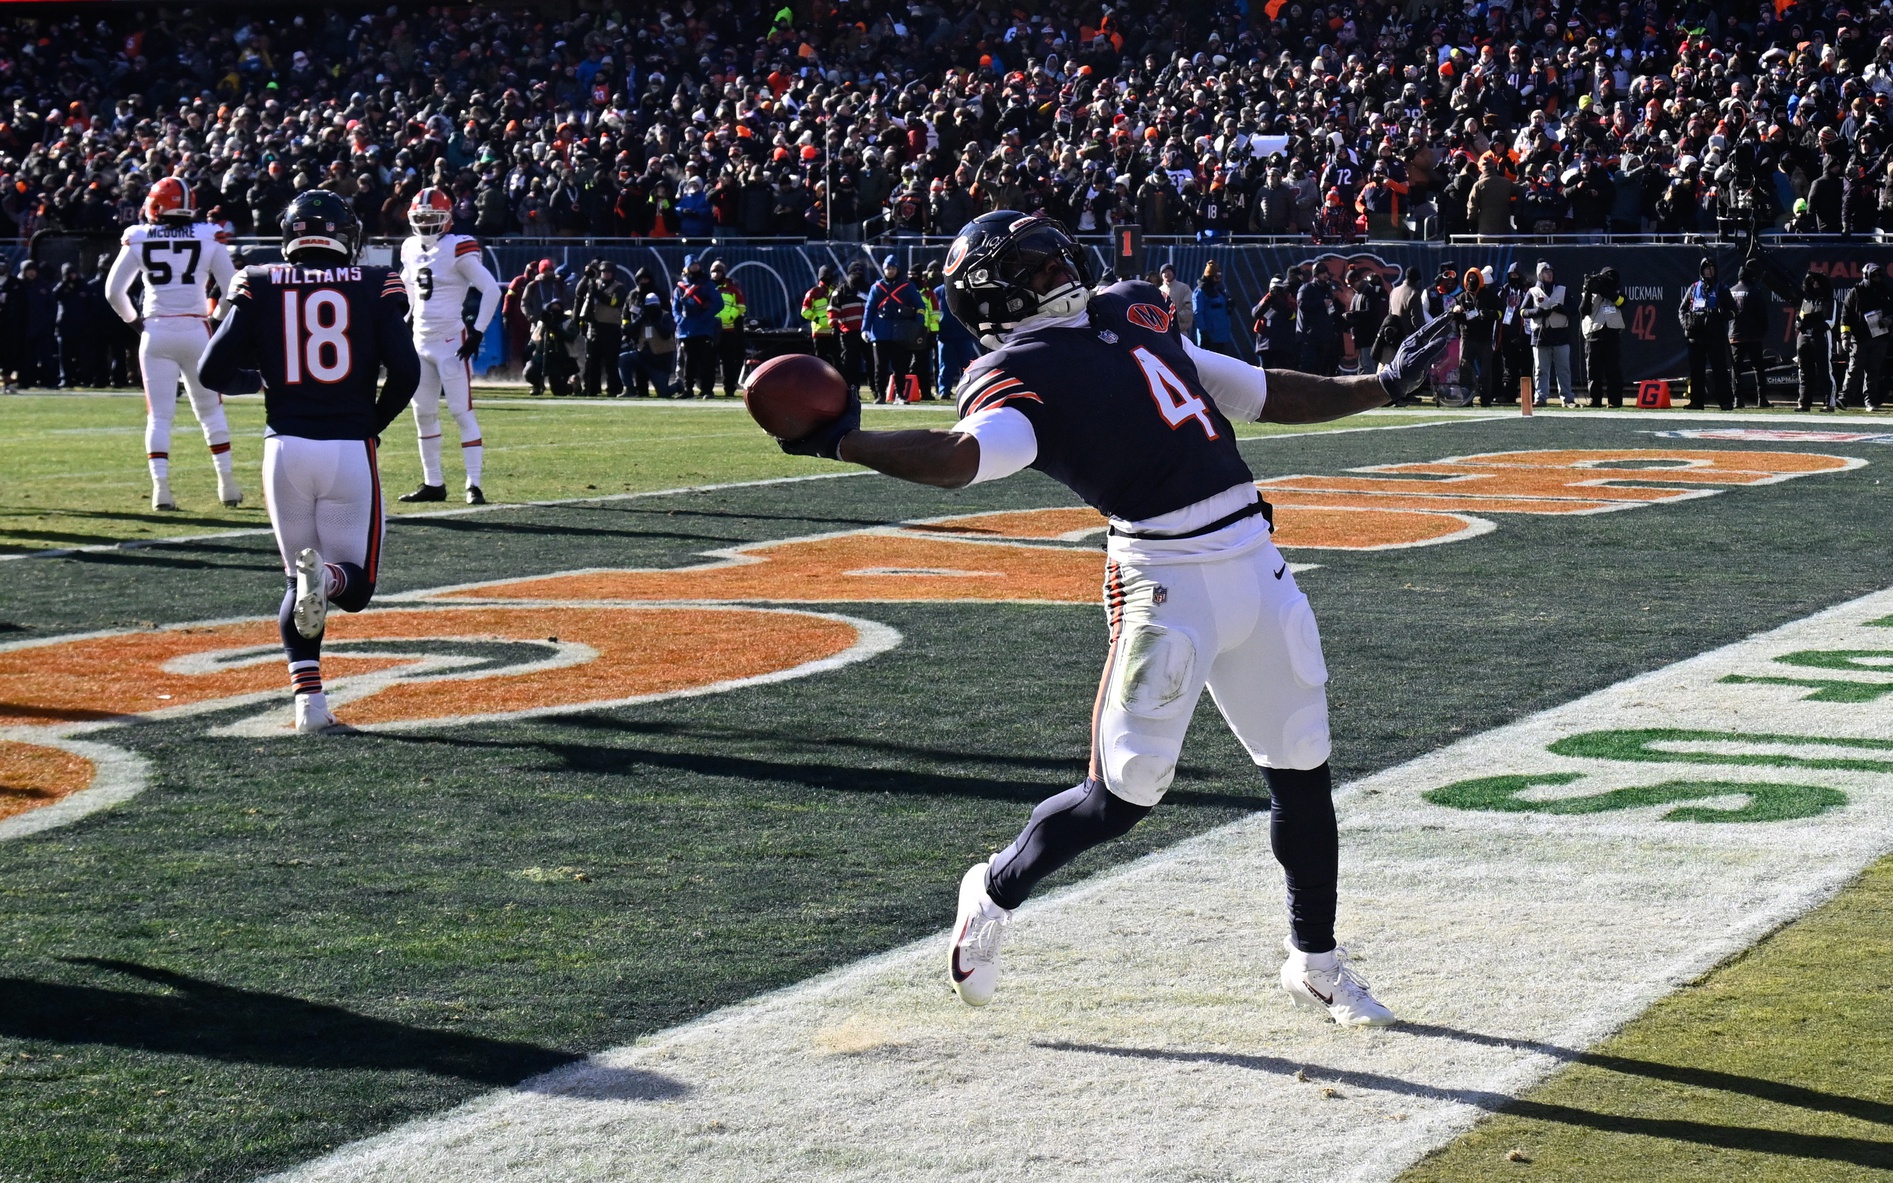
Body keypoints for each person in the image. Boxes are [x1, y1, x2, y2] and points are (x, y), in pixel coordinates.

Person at [769, 211, 1453, 1025]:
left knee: (1303, 767)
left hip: (1254, 560)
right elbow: (963, 460)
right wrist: (848, 443)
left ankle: (1316, 961)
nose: (1055, 269)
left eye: (1050, 255)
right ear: (990, 298)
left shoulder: (1129, 310)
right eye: (1030, 268)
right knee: (1125, 792)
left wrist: (1381, 386)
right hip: (1164, 581)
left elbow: (1256, 390)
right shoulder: (1014, 370)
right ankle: (992, 888)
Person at [197, 189, 420, 735]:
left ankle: (309, 708)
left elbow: (210, 370)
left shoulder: (259, 279)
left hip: (283, 449)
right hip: (347, 447)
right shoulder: (374, 282)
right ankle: (331, 582)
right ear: (345, 237)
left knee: (300, 585)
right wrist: (373, 421)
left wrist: (258, 379)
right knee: (355, 587)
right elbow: (407, 373)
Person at [104, 176, 242, 510]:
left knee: (160, 416)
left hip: (156, 331)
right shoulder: (208, 234)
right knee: (210, 410)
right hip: (196, 329)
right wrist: (216, 319)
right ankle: (227, 486)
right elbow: (231, 287)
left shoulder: (139, 236)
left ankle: (161, 490)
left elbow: (113, 292)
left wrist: (134, 322)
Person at [395, 187, 501, 505]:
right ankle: (433, 483)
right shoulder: (410, 247)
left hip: (451, 342)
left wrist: (478, 333)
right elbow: (407, 289)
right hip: (419, 341)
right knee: (423, 414)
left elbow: (491, 289)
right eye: (421, 217)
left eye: (432, 217)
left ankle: (474, 484)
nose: (425, 223)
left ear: (446, 219)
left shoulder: (457, 246)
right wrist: (399, 323)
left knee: (460, 411)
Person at [864, 254, 925, 403]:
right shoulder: (876, 287)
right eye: (887, 268)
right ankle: (880, 395)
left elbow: (920, 306)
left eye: (892, 268)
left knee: (900, 366)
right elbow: (869, 309)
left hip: (901, 331)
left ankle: (900, 395)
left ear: (897, 269)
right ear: (883, 269)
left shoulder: (907, 286)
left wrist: (918, 324)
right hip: (879, 332)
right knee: (880, 366)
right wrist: (865, 328)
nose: (890, 271)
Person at [1679, 257, 1735, 410]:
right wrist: (1686, 324)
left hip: (1714, 335)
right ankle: (1696, 401)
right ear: (1701, 270)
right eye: (1706, 268)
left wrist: (1722, 315)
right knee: (1696, 371)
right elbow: (1682, 309)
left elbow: (1733, 310)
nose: (1708, 271)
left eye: (1711, 268)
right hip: (1695, 336)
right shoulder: (1694, 287)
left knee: (1720, 370)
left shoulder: (1721, 288)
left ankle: (1725, 401)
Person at [1838, 262, 1892, 413]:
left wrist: (1889, 320)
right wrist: (1845, 336)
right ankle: (1844, 398)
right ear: (1866, 275)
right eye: (1873, 274)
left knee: (1874, 372)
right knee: (1854, 368)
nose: (1876, 277)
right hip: (1859, 338)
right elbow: (1845, 315)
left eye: (1879, 274)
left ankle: (1870, 402)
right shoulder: (1855, 292)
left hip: (1879, 337)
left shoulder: (1886, 291)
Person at [1520, 260, 1573, 408]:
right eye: (1545, 272)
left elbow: (1575, 309)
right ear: (1539, 274)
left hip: (1560, 336)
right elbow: (1522, 311)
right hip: (1540, 337)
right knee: (1540, 370)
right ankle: (1540, 398)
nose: (1549, 274)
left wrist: (1562, 309)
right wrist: (1536, 312)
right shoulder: (1533, 292)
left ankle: (1567, 398)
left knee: (1564, 370)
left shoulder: (1563, 290)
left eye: (1551, 272)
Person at [672, 254, 724, 399]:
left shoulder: (707, 284)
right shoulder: (681, 287)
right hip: (686, 330)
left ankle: (707, 390)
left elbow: (718, 304)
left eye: (697, 264)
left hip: (704, 329)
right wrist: (679, 320)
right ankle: (688, 389)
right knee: (689, 362)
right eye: (692, 265)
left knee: (707, 361)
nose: (695, 267)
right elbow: (675, 306)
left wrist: (705, 317)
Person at [576, 261, 629, 397]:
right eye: (604, 272)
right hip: (594, 327)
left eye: (609, 272)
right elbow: (579, 292)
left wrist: (598, 294)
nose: (606, 274)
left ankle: (613, 389)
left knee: (611, 361)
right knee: (592, 361)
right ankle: (591, 389)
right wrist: (587, 277)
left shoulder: (619, 287)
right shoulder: (594, 283)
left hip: (611, 328)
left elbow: (614, 302)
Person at [1453, 267, 1501, 406]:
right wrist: (1456, 311)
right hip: (1467, 337)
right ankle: (1466, 399)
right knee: (1464, 368)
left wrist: (1490, 314)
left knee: (1486, 371)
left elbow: (1501, 312)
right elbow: (1454, 314)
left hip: (1484, 338)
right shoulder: (1461, 297)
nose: (1471, 290)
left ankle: (1486, 399)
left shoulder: (1490, 296)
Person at [1728, 260, 1772, 409]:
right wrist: (1763, 329)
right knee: (1759, 368)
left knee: (1736, 369)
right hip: (1753, 336)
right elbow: (1762, 313)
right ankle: (1762, 399)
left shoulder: (1731, 291)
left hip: (1735, 335)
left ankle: (1737, 399)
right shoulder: (1754, 291)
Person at [1579, 268, 1625, 408]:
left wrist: (1605, 290)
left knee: (1613, 371)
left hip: (1611, 335)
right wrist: (1588, 289)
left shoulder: (1617, 293)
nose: (1608, 280)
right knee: (1593, 371)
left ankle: (1615, 401)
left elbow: (1622, 302)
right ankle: (1595, 400)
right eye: (1606, 277)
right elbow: (1583, 310)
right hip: (1594, 335)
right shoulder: (1592, 294)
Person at [620, 292, 677, 399]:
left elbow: (666, 333)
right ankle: (629, 389)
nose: (652, 310)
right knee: (623, 359)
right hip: (643, 356)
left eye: (654, 307)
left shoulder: (665, 316)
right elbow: (629, 331)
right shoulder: (643, 318)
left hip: (659, 360)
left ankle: (678, 386)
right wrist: (641, 318)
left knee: (664, 393)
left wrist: (656, 321)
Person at [1794, 272, 1837, 413]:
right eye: (1813, 283)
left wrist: (1814, 324)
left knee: (1825, 370)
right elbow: (1799, 319)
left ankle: (1829, 402)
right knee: (1804, 371)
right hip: (1804, 338)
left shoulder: (1830, 301)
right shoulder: (1806, 301)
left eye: (1818, 282)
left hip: (1821, 337)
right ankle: (1804, 403)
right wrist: (1799, 323)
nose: (1815, 285)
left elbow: (1830, 322)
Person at [710, 259, 748, 397]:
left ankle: (729, 389)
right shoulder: (708, 288)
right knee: (709, 361)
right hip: (711, 331)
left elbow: (741, 307)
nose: (716, 274)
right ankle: (707, 389)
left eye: (718, 271)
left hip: (728, 331)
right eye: (713, 271)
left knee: (728, 363)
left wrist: (729, 317)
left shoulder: (732, 289)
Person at [830, 264, 870, 397]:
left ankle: (877, 392)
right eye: (854, 271)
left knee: (872, 363)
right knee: (850, 364)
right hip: (848, 333)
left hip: (867, 332)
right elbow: (832, 310)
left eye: (860, 271)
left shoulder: (868, 288)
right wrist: (834, 326)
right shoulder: (841, 290)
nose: (858, 273)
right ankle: (852, 392)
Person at [1495, 263, 1532, 404]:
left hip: (1525, 334)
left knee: (1527, 367)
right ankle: (1508, 396)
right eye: (1511, 276)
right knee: (1509, 367)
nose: (1514, 278)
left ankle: (1528, 396)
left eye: (1517, 275)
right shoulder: (1504, 291)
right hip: (1507, 334)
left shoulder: (1528, 289)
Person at [801, 265, 843, 374]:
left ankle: (837, 382)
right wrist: (817, 319)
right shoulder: (813, 292)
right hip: (819, 332)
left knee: (837, 360)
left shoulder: (836, 290)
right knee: (820, 361)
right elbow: (804, 311)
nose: (828, 280)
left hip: (834, 331)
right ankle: (820, 383)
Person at [1192, 261, 1237, 356]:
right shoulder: (1201, 291)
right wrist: (1203, 332)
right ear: (1210, 276)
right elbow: (1197, 313)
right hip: (1209, 336)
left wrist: (1229, 305)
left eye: (1220, 277)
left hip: (1222, 336)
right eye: (1216, 277)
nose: (1218, 279)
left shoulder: (1219, 290)